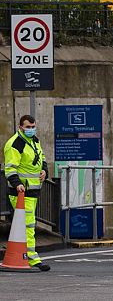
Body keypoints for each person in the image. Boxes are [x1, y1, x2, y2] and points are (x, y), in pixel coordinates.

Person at [4, 115, 50, 271]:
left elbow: (41, 157)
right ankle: (32, 257)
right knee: (28, 225)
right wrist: (17, 185)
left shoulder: (34, 140)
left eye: (33, 126)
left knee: (28, 224)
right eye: (28, 127)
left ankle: (23, 255)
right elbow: (10, 168)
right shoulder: (15, 144)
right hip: (21, 192)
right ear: (20, 127)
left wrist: (45, 170)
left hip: (32, 190)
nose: (31, 130)